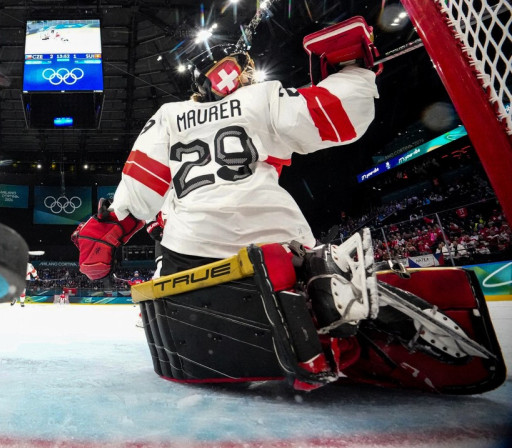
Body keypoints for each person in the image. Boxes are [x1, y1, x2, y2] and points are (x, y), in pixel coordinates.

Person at [72, 31, 503, 392]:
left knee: (171, 266)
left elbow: (141, 188)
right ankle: (319, 289)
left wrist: (110, 226)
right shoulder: (262, 97)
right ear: (237, 73)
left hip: (194, 246)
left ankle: (292, 319)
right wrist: (354, 70)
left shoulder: (167, 116)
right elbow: (336, 117)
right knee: (290, 250)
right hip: (274, 232)